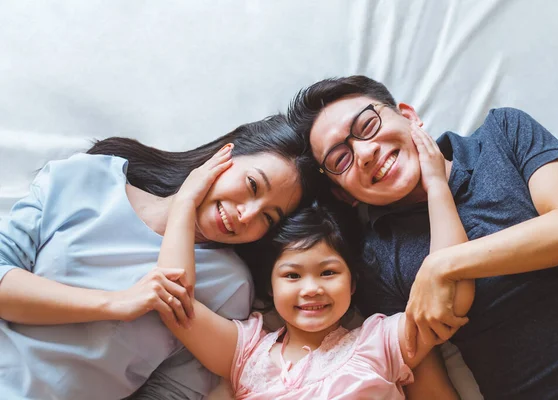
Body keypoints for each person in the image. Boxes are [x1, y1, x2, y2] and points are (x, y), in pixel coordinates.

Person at [286, 75, 558, 399]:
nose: (365, 152)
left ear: (408, 116)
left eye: (368, 126)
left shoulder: (503, 132)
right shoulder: (374, 261)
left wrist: (441, 266)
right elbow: (426, 379)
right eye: (341, 159)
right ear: (343, 194)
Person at [0, 114, 319, 400]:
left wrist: (183, 207)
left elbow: (175, 390)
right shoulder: (84, 178)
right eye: (251, 185)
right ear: (225, 154)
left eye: (268, 218)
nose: (246, 215)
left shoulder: (229, 285)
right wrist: (115, 303)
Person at [155, 125, 474, 399]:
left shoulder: (379, 343)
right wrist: (185, 202)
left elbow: (451, 295)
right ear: (270, 283)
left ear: (353, 283)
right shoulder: (246, 354)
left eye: (329, 272)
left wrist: (436, 186)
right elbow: (174, 301)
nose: (312, 289)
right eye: (292, 275)